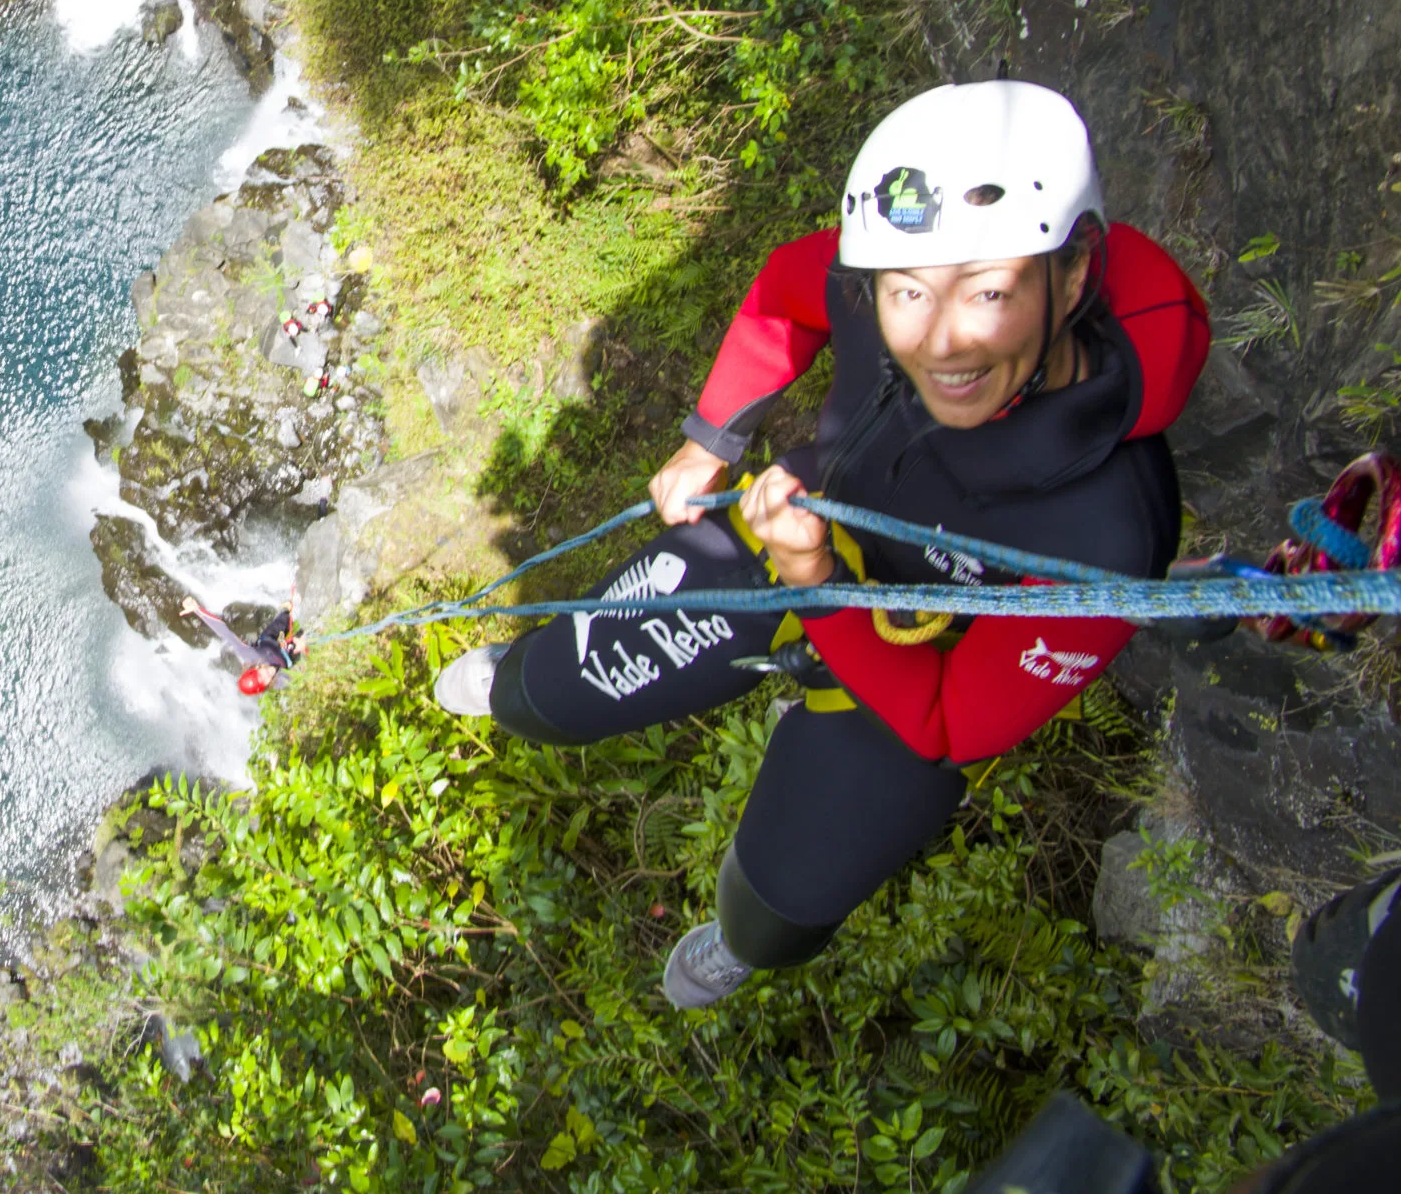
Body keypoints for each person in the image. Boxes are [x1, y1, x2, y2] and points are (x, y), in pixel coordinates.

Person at [430, 81, 1211, 1009]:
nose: (941, 343)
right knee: (545, 695)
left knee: (779, 908)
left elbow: (953, 723)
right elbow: (781, 293)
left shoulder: (1108, 527)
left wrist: (816, 582)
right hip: (788, 539)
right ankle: (513, 674)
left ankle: (734, 945)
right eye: (907, 294)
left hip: (904, 674)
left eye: (991, 291)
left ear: (1075, 272)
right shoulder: (876, 277)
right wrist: (710, 439)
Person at [180, 594, 308, 691]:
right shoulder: (280, 681)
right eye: (264, 681)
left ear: (256, 668)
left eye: (261, 675)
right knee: (306, 636)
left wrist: (197, 610)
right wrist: (304, 649)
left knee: (287, 615)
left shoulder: (249, 654)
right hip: (288, 656)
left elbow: (224, 633)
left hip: (271, 639)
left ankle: (286, 609)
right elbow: (305, 674)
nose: (267, 676)